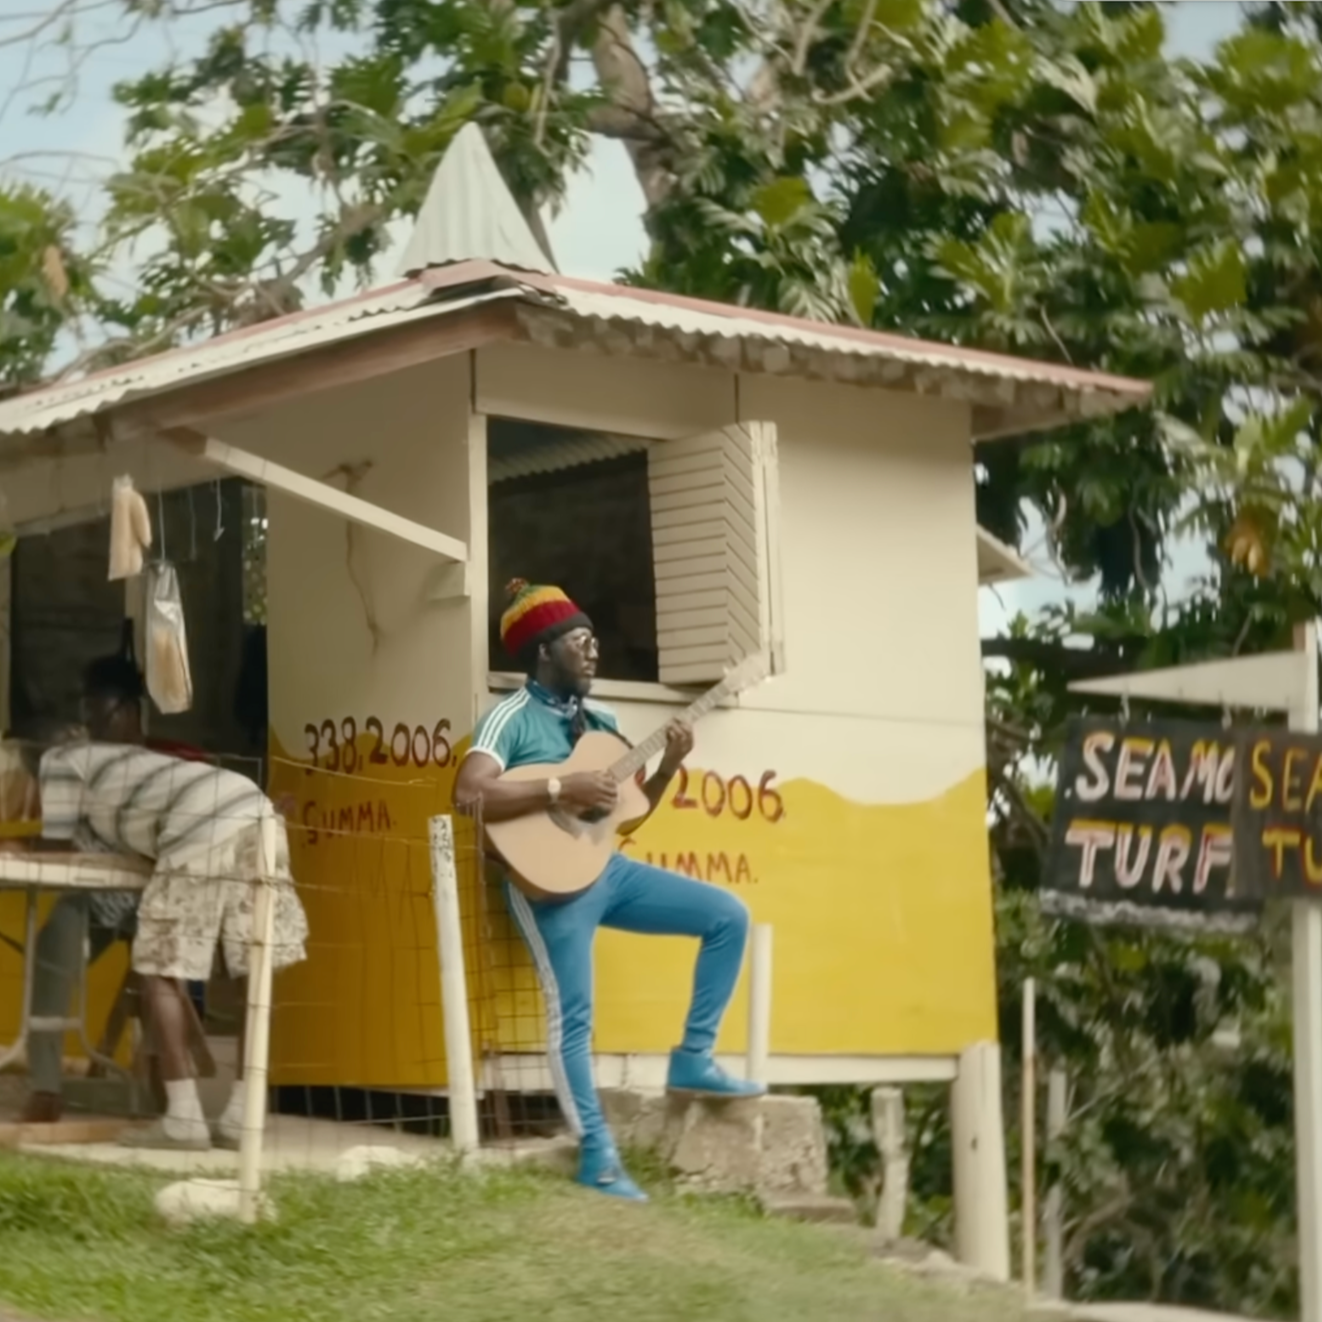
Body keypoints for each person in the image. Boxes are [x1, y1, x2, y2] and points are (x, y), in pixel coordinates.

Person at [454, 579, 764, 1202]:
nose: (594, 652)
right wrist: (556, 790)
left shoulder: (605, 723)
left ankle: (692, 1058)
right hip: (547, 888)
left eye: (595, 641)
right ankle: (597, 1155)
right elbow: (468, 795)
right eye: (580, 641)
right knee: (575, 1018)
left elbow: (624, 815)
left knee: (729, 916)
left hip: (605, 870)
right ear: (545, 651)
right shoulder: (510, 719)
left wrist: (670, 765)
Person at [21, 658, 308, 1150]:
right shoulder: (145, 763)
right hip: (256, 814)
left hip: (198, 832)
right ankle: (243, 1113)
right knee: (253, 967)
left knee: (159, 968)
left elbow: (56, 847)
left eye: (96, 712)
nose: (89, 724)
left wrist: (16, 847)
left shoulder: (61, 761)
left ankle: (183, 1119)